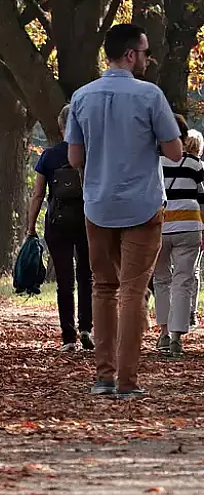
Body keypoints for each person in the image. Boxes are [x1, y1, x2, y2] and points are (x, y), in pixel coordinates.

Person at [66, 23, 182, 398]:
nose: (148, 59)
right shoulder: (150, 96)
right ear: (131, 55)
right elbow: (175, 152)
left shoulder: (82, 97)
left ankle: (103, 376)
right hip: (143, 204)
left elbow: (74, 157)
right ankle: (128, 382)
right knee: (133, 290)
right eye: (145, 52)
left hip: (97, 204)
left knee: (103, 287)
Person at [26, 105, 94, 352]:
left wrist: (31, 227)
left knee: (65, 281)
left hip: (58, 223)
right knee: (87, 276)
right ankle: (87, 327)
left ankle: (68, 337)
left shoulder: (49, 156)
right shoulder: (90, 153)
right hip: (87, 221)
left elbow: (37, 195)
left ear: (61, 126)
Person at [153, 115, 203, 357]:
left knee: (161, 280)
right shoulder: (196, 165)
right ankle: (176, 337)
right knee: (183, 281)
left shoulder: (154, 163)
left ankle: (163, 332)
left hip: (159, 227)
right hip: (189, 227)